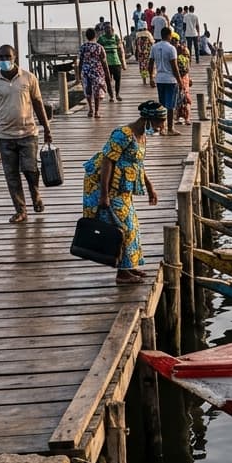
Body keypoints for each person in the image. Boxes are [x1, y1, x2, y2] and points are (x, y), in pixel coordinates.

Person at [82, 100, 161, 285]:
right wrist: (104, 195)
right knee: (123, 227)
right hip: (106, 186)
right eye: (159, 122)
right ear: (147, 119)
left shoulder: (141, 136)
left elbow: (138, 164)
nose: (161, 126)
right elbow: (107, 162)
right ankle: (122, 274)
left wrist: (150, 187)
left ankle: (130, 266)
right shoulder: (123, 134)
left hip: (124, 188)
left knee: (132, 225)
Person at [0, 44, 52, 223]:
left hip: (28, 133)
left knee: (30, 170)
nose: (4, 60)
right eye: (0, 57)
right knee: (11, 176)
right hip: (5, 136)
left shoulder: (29, 78)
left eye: (7, 56)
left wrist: (47, 129)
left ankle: (35, 195)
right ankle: (21, 210)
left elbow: (38, 104)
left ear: (15, 57)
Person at [148, 27, 179, 134]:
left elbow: (150, 63)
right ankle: (170, 128)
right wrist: (180, 80)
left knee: (162, 105)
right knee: (170, 106)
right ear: (169, 35)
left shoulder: (154, 47)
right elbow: (174, 67)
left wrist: (151, 77)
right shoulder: (171, 48)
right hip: (170, 79)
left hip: (159, 79)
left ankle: (162, 128)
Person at [76, 27, 112, 118]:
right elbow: (104, 61)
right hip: (97, 71)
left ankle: (90, 109)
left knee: (87, 90)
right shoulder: (99, 47)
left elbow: (80, 61)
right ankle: (96, 111)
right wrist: (107, 73)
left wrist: (79, 73)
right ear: (95, 36)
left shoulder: (83, 47)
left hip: (86, 71)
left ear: (86, 36)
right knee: (97, 91)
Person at [98, 21, 126, 101]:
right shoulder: (101, 38)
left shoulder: (116, 37)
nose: (108, 30)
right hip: (106, 63)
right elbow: (98, 48)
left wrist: (123, 62)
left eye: (109, 28)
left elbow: (121, 48)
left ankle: (117, 94)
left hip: (116, 62)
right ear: (104, 30)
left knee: (118, 79)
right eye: (106, 28)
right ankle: (111, 96)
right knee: (108, 80)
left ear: (112, 29)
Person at [174, 38, 191, 124]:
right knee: (186, 99)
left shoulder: (176, 58)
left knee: (178, 99)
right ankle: (186, 118)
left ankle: (178, 117)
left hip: (178, 80)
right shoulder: (186, 59)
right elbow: (187, 69)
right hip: (184, 80)